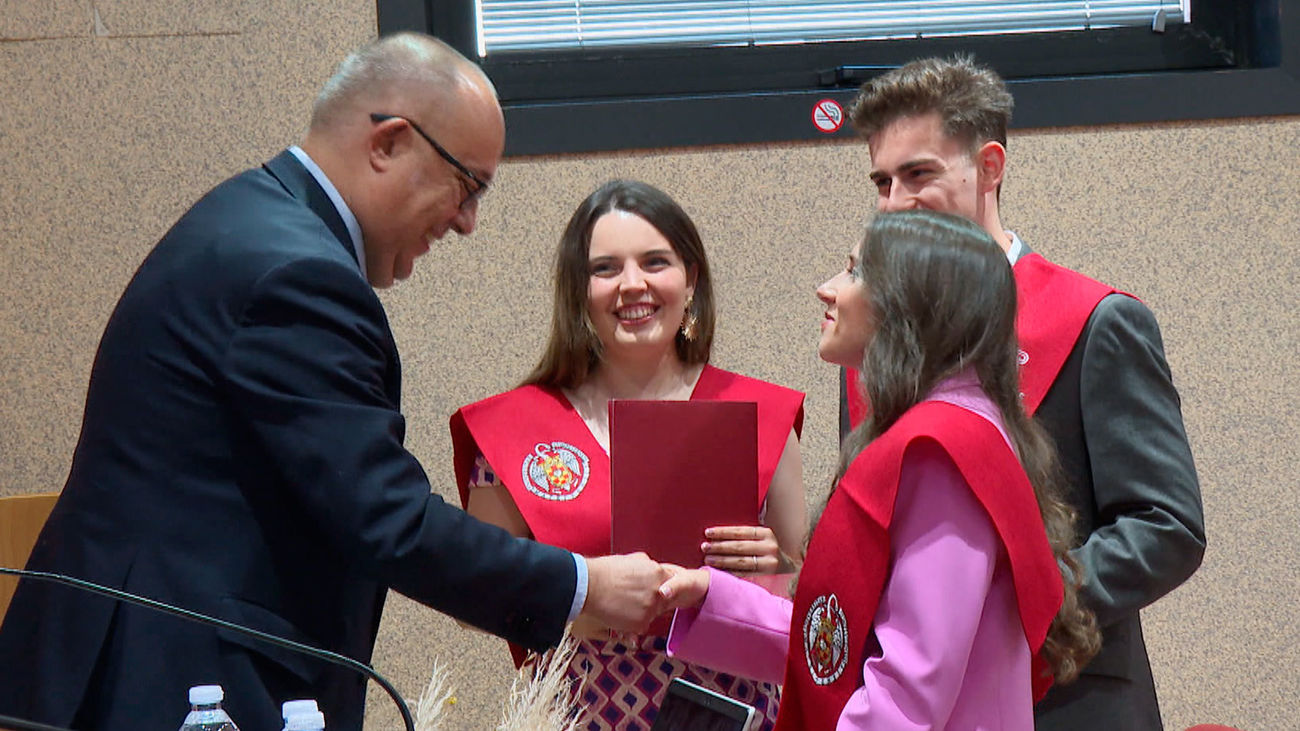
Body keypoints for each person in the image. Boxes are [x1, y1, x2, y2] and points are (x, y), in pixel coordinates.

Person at [0, 33, 669, 731]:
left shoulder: (253, 222)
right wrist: (582, 585)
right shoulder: (297, 274)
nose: (468, 223)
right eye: (467, 186)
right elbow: (387, 516)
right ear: (389, 143)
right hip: (173, 683)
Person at [841, 56, 1206, 730]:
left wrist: (1011, 608)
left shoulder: (1098, 320)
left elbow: (1168, 528)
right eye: (882, 182)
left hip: (1072, 700)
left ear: (990, 167)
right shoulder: (870, 348)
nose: (893, 203)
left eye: (918, 174)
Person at [660, 209, 1101, 729]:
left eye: (853, 272)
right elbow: (842, 641)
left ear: (910, 304)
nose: (827, 289)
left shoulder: (943, 450)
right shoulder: (948, 427)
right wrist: (712, 594)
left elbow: (909, 689)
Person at [450, 179, 807, 731]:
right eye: (605, 268)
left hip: (735, 713)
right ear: (577, 291)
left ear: (691, 279)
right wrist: (564, 606)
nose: (633, 284)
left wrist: (773, 566)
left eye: (655, 262)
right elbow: (473, 594)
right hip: (581, 713)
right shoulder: (513, 429)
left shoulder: (762, 411)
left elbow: (804, 595)